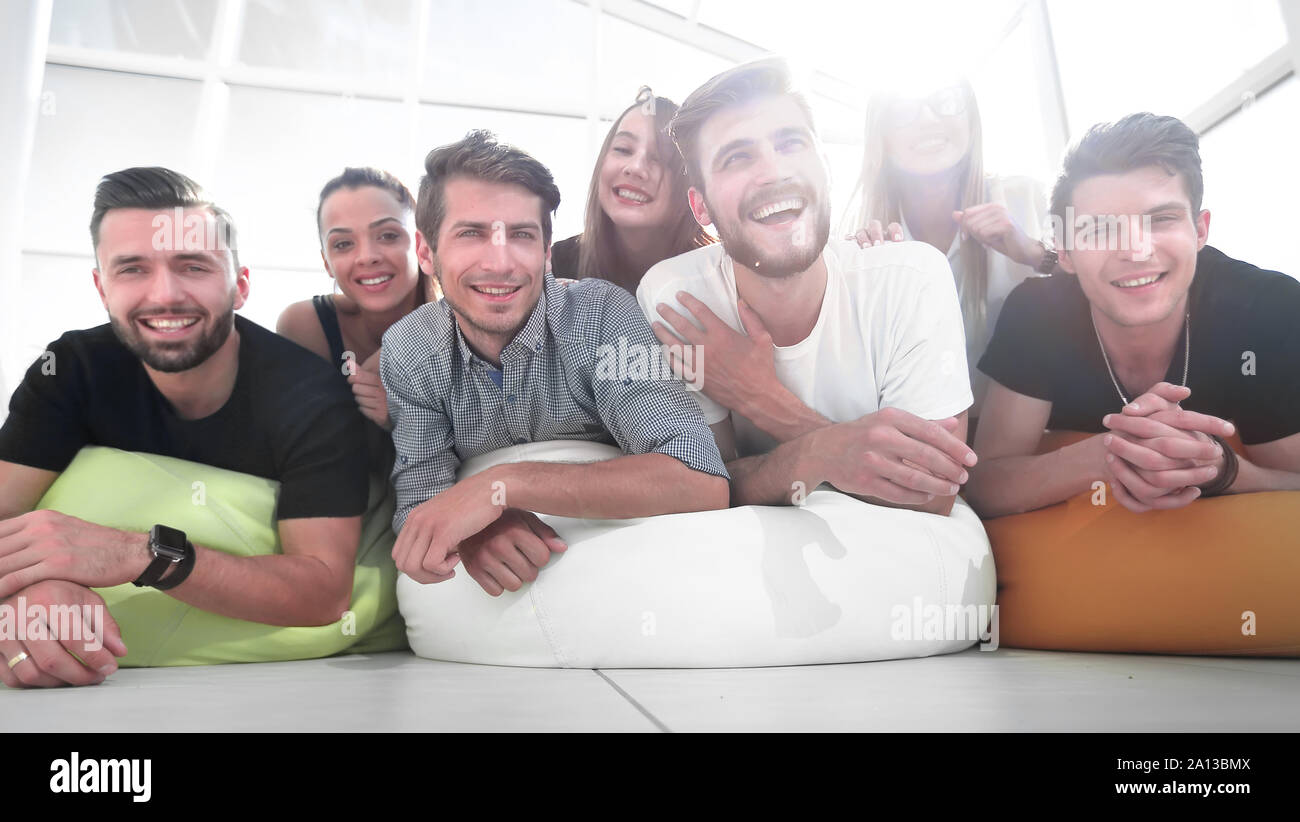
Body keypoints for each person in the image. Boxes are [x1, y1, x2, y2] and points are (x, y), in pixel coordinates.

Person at [0, 167, 369, 688]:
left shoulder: (310, 395)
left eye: (193, 266)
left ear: (240, 286)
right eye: (132, 269)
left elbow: (324, 592)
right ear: (101, 287)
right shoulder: (71, 368)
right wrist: (28, 589)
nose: (165, 295)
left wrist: (139, 554)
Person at [380, 130, 729, 598]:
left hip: (624, 582)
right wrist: (475, 530)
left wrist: (500, 488)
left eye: (522, 236)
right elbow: (419, 504)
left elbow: (700, 482)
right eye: (471, 233)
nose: (499, 263)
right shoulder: (411, 347)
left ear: (547, 253)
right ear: (426, 252)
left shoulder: (602, 314)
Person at [637, 57, 978, 515]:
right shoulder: (678, 298)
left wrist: (765, 402)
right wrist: (821, 452)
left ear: (826, 169)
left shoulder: (912, 278)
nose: (774, 172)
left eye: (790, 142)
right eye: (737, 157)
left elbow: (932, 496)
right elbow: (708, 486)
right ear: (702, 209)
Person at [966, 112, 1300, 518]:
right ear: (1066, 251)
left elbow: (1290, 480)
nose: (1136, 250)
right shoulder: (1037, 312)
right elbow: (984, 486)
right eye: (1101, 229)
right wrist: (1112, 452)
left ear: (1199, 231)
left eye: (1161, 219)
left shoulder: (1264, 307)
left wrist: (1225, 470)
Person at [846, 80, 1055, 413]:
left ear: (970, 120)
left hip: (1027, 429)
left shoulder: (1028, 198)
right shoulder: (857, 239)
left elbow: (1097, 297)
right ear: (881, 136)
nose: (927, 119)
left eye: (945, 100)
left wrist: (1033, 253)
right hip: (922, 438)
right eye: (903, 109)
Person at [277, 167, 433, 436]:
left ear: (422, 246)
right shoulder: (305, 326)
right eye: (343, 244)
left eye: (388, 235)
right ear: (327, 263)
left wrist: (407, 415)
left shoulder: (460, 327)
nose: (367, 257)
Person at [550, 87, 714, 292]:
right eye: (623, 149)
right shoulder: (556, 265)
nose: (636, 168)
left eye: (660, 157)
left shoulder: (719, 277)